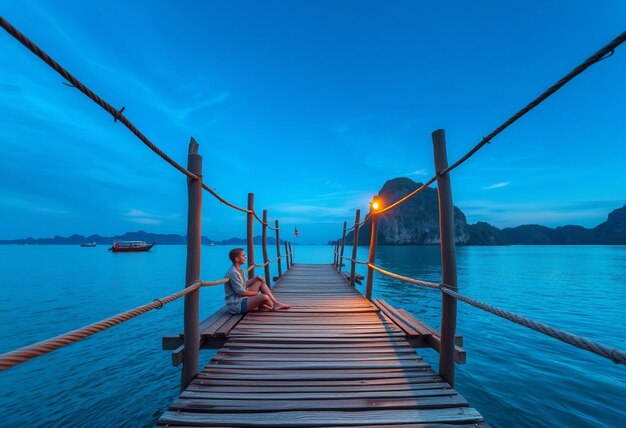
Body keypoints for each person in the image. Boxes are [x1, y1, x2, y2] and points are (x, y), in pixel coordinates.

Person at [224, 248, 291, 314]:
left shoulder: (239, 270)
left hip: (242, 299)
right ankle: (269, 305)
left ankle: (274, 303)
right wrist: (256, 294)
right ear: (237, 259)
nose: (245, 257)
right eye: (243, 255)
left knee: (259, 281)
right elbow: (241, 292)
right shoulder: (233, 272)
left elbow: (244, 284)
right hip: (236, 305)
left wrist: (255, 278)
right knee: (265, 297)